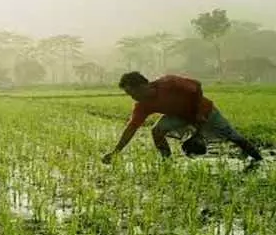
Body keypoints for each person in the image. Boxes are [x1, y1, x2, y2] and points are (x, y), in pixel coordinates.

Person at [101, 71, 263, 166]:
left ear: (143, 86)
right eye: (129, 95)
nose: (132, 97)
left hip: (204, 111)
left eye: (132, 93)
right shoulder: (142, 105)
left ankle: (258, 159)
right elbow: (131, 128)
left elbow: (196, 86)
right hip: (180, 116)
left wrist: (199, 112)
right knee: (156, 131)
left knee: (233, 136)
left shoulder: (168, 83)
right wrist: (115, 153)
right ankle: (167, 162)